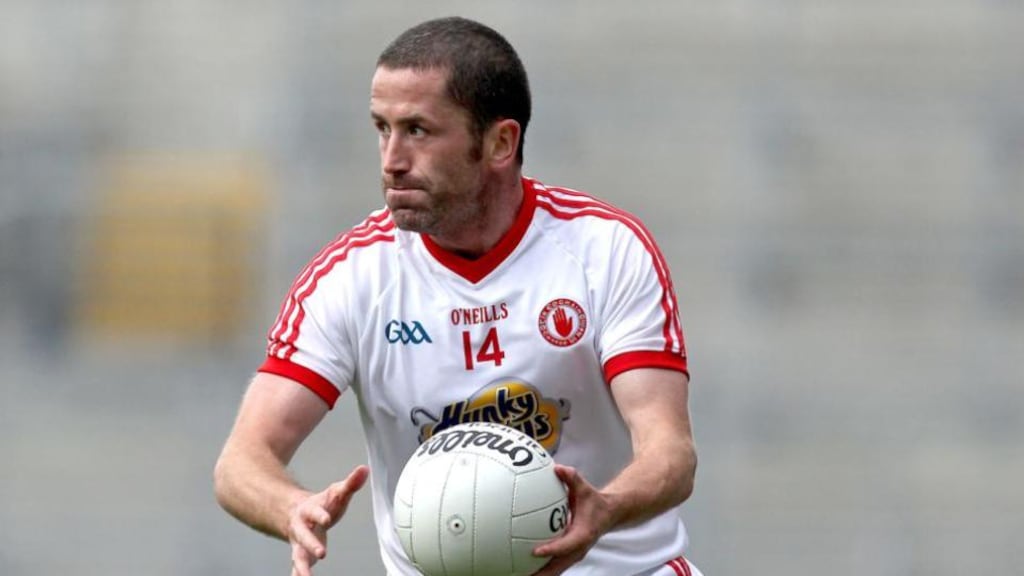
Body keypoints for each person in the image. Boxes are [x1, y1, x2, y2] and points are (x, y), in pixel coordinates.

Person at [214, 15, 701, 576]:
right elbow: (242, 461)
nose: (392, 159)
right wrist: (290, 505)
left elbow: (671, 454)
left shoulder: (606, 251)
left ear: (500, 142)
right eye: (382, 128)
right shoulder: (351, 276)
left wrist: (606, 509)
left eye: (418, 130)